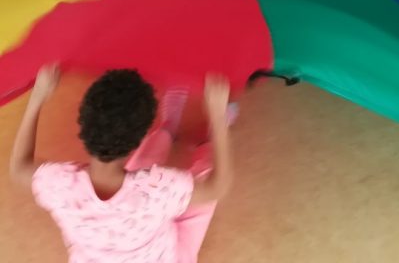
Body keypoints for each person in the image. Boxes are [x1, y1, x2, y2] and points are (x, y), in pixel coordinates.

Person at [9, 66, 232, 263]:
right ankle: (209, 135)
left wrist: (36, 99)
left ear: (83, 126)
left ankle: (168, 128)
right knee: (201, 187)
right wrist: (217, 116)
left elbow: (19, 167)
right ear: (138, 138)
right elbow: (217, 186)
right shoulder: (157, 188)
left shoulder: (59, 185)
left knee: (150, 168)